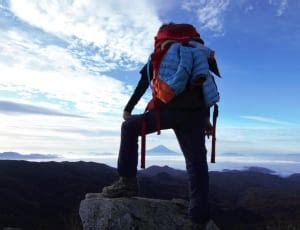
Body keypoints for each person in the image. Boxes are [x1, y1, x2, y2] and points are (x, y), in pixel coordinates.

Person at [101, 23, 216, 225]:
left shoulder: (161, 52)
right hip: (195, 116)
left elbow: (143, 84)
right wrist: (206, 119)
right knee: (197, 164)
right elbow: (205, 89)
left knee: (129, 127)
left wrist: (128, 109)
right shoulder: (199, 54)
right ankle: (199, 218)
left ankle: (127, 183)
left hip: (166, 113)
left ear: (161, 36)